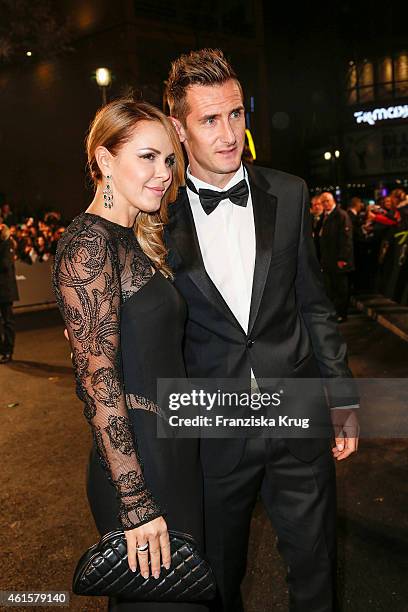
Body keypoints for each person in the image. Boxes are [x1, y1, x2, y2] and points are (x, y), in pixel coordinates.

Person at [164, 49, 359, 612]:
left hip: (297, 417)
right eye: (208, 119)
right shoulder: (159, 214)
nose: (228, 134)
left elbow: (314, 305)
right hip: (213, 430)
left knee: (316, 567)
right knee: (217, 580)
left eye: (235, 114)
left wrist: (343, 397)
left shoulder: (290, 193)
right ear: (178, 126)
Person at [53, 99, 206, 612]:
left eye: (168, 160)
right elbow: (99, 384)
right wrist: (137, 506)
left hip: (174, 455)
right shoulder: (88, 244)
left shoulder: (136, 240)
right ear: (103, 160)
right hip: (140, 470)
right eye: (147, 157)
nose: (163, 173)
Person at [319, 192, 354, 323]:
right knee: (331, 288)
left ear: (333, 200)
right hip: (329, 260)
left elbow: (346, 239)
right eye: (323, 202)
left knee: (341, 289)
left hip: (338, 261)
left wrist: (343, 259)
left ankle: (341, 314)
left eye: (327, 201)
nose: (325, 204)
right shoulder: (326, 216)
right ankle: (334, 312)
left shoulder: (341, 215)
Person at [0, 223, 19, 363]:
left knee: (7, 321)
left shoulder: (7, 244)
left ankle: (8, 351)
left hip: (5, 289)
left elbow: (5, 264)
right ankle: (2, 349)